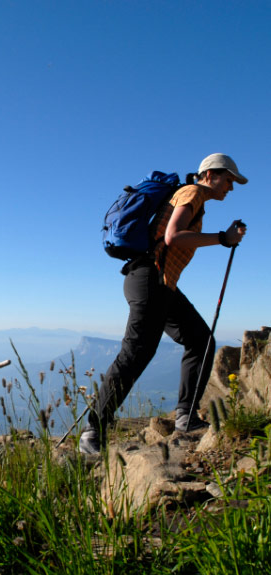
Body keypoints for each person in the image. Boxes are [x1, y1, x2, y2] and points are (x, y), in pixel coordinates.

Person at [79, 154, 248, 454]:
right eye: (228, 179)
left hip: (160, 283)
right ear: (210, 175)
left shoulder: (193, 196)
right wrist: (223, 238)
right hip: (150, 279)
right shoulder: (193, 192)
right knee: (136, 353)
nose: (231, 187)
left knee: (201, 340)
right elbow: (173, 237)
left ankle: (186, 417)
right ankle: (93, 431)